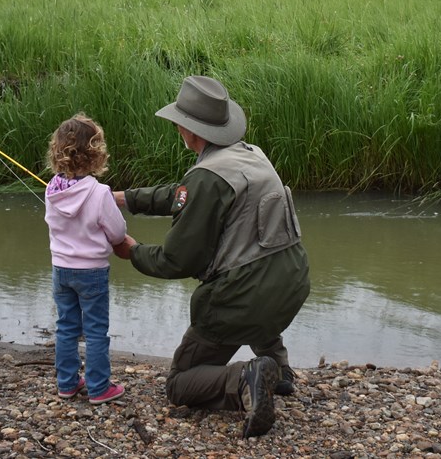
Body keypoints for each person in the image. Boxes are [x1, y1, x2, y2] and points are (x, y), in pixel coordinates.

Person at [113, 75, 310, 438]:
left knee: (180, 384)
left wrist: (132, 252)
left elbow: (177, 261)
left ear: (189, 130)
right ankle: (279, 374)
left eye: (178, 123)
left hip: (243, 300)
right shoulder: (252, 155)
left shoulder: (206, 176)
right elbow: (184, 194)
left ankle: (244, 380)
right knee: (260, 298)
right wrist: (126, 198)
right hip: (293, 283)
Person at [44, 113, 129, 405]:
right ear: (95, 155)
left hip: (61, 270)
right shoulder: (100, 192)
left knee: (66, 327)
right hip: (91, 272)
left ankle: (66, 384)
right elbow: (117, 232)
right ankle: (98, 387)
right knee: (95, 330)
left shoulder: (51, 190)